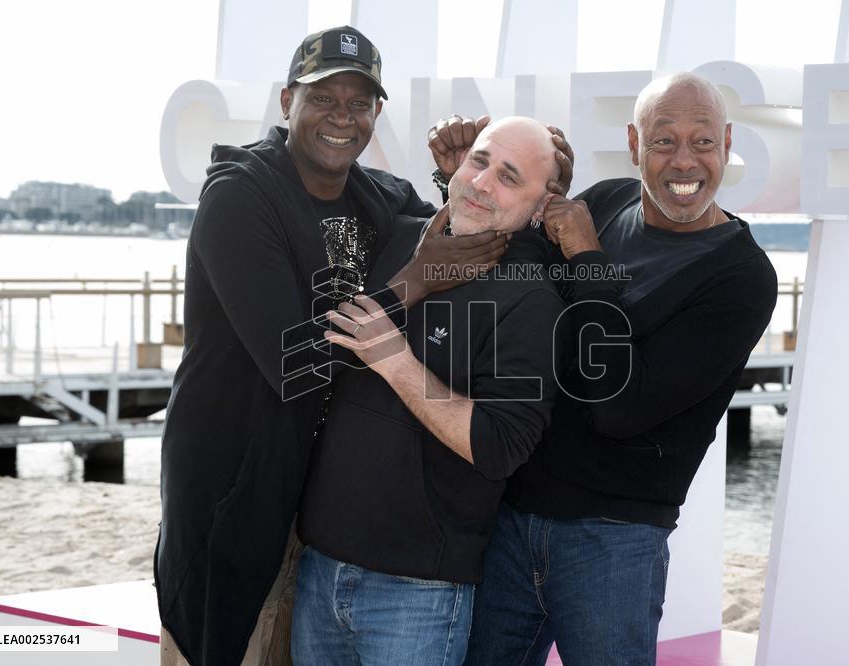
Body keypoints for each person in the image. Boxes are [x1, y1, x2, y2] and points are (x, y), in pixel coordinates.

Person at [154, 25, 510, 666]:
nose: (341, 118)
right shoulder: (239, 197)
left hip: (317, 511)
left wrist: (456, 175)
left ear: (378, 112)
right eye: (323, 98)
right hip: (229, 495)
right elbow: (295, 367)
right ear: (288, 100)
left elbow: (450, 226)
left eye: (358, 103)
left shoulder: (374, 197)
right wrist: (415, 282)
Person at [464, 73, 779, 665]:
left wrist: (586, 256)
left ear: (728, 143)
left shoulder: (742, 278)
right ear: (635, 144)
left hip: (612, 540)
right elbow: (522, 280)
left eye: (702, 141)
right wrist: (469, 178)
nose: (684, 160)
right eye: (664, 141)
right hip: (510, 518)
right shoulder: (606, 201)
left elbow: (618, 405)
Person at [289, 117, 571, 665]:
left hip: (416, 593)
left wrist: (396, 362)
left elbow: (500, 446)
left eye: (510, 178)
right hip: (319, 566)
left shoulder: (532, 301)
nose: (483, 182)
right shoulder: (397, 238)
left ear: (541, 207)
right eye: (480, 161)